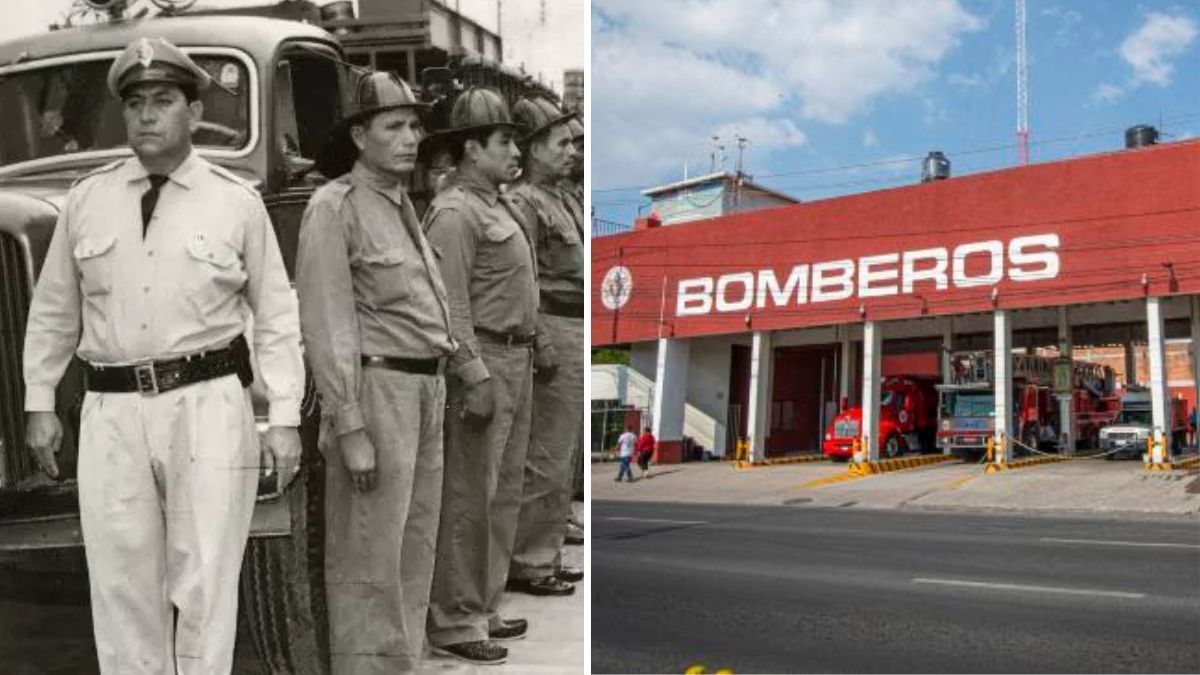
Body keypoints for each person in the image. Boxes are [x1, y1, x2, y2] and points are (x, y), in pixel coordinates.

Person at [22, 37, 304, 674]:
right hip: (112, 411)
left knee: (203, 581)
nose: (148, 116)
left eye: (165, 101)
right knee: (121, 585)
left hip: (206, 407)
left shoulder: (236, 202)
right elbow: (54, 310)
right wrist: (40, 400)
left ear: (195, 113)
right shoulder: (87, 200)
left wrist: (283, 415)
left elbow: (277, 313)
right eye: (136, 104)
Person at [297, 70, 453, 675]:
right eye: (394, 126)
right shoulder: (334, 207)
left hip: (423, 389)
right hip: (377, 392)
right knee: (368, 562)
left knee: (411, 556)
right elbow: (327, 320)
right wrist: (349, 423)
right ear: (360, 135)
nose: (411, 137)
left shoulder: (400, 206)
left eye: (415, 125)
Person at [424, 87, 542, 666]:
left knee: (500, 492)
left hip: (515, 358)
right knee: (469, 495)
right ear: (471, 148)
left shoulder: (498, 205)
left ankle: (484, 602)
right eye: (504, 140)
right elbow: (451, 304)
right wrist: (473, 373)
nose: (514, 149)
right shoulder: (455, 212)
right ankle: (453, 619)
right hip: (486, 360)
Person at [506, 97, 582, 598]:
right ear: (534, 148)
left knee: (564, 453)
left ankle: (547, 550)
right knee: (547, 453)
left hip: (573, 324)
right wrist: (540, 339)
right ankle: (530, 561)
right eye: (562, 143)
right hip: (553, 324)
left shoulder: (564, 198)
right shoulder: (524, 202)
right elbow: (522, 280)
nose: (572, 151)